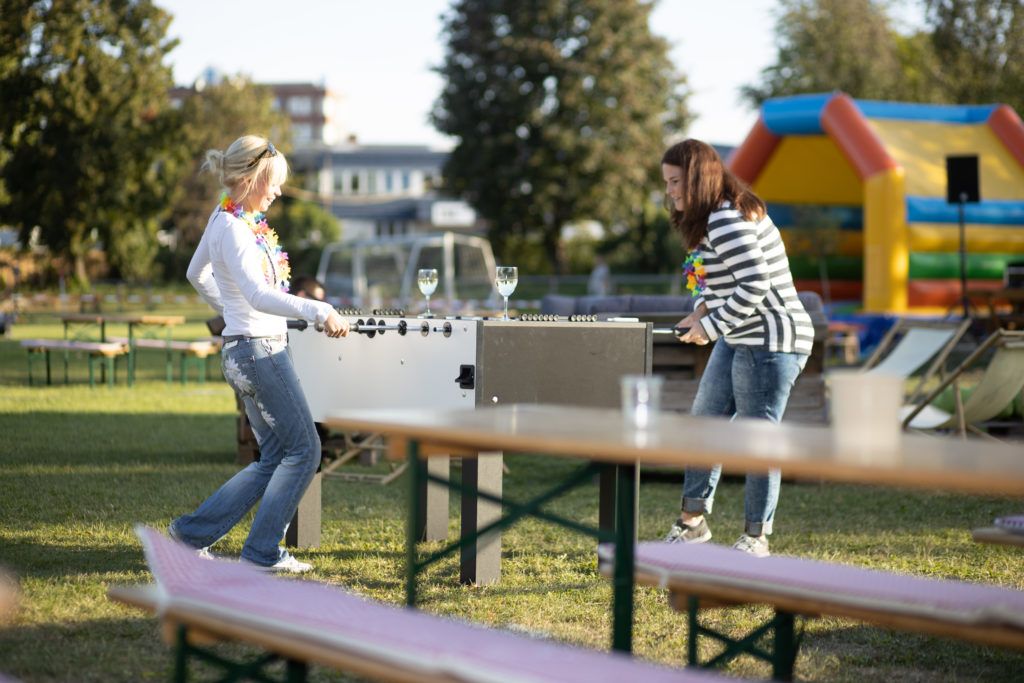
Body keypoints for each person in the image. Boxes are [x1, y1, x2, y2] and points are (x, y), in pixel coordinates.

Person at [169, 135, 349, 573]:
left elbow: (197, 273)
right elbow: (256, 293)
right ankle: (262, 552)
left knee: (273, 457)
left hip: (244, 351)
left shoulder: (227, 219)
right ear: (251, 178)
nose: (279, 191)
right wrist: (317, 309)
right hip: (259, 352)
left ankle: (190, 535)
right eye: (274, 182)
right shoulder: (233, 227)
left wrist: (231, 310)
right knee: (305, 451)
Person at [661, 139, 813, 557]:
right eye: (667, 183)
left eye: (676, 182)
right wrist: (699, 313)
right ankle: (692, 523)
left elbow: (755, 283)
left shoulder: (727, 217)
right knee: (704, 422)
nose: (670, 191)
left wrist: (709, 327)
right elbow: (713, 281)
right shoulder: (707, 218)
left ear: (696, 178)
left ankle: (756, 537)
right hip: (740, 332)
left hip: (771, 337)